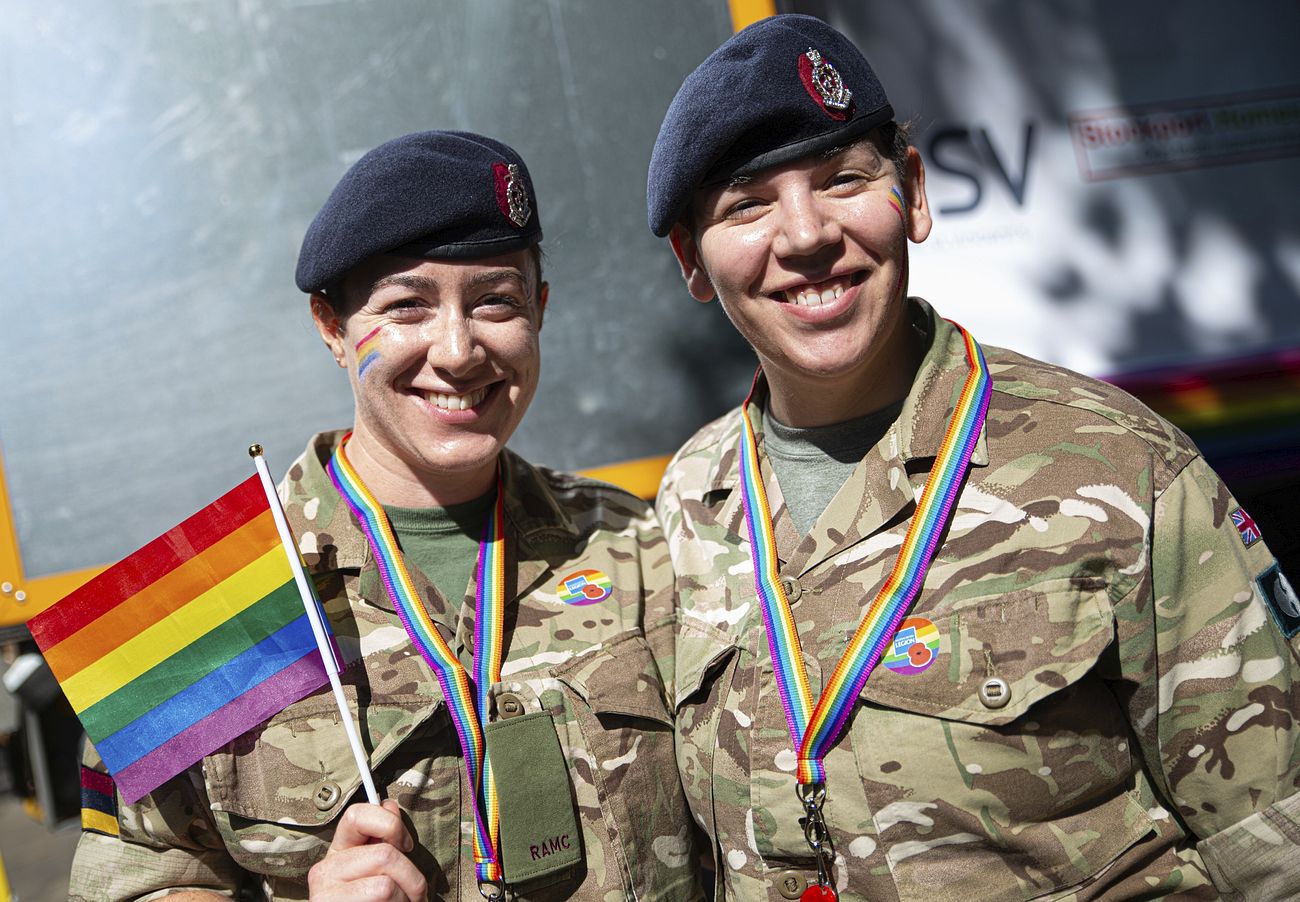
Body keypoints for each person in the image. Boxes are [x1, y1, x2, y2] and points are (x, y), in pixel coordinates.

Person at [648, 14, 1300, 902]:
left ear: (913, 194)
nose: (804, 235)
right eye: (747, 205)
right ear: (692, 260)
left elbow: (1274, 846)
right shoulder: (689, 501)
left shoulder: (1118, 468)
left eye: (843, 179)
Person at [70, 131, 700, 901]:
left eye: (496, 301)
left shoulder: (636, 546)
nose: (459, 351)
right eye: (407, 306)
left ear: (540, 309)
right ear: (331, 327)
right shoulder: (203, 602)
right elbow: (140, 880)